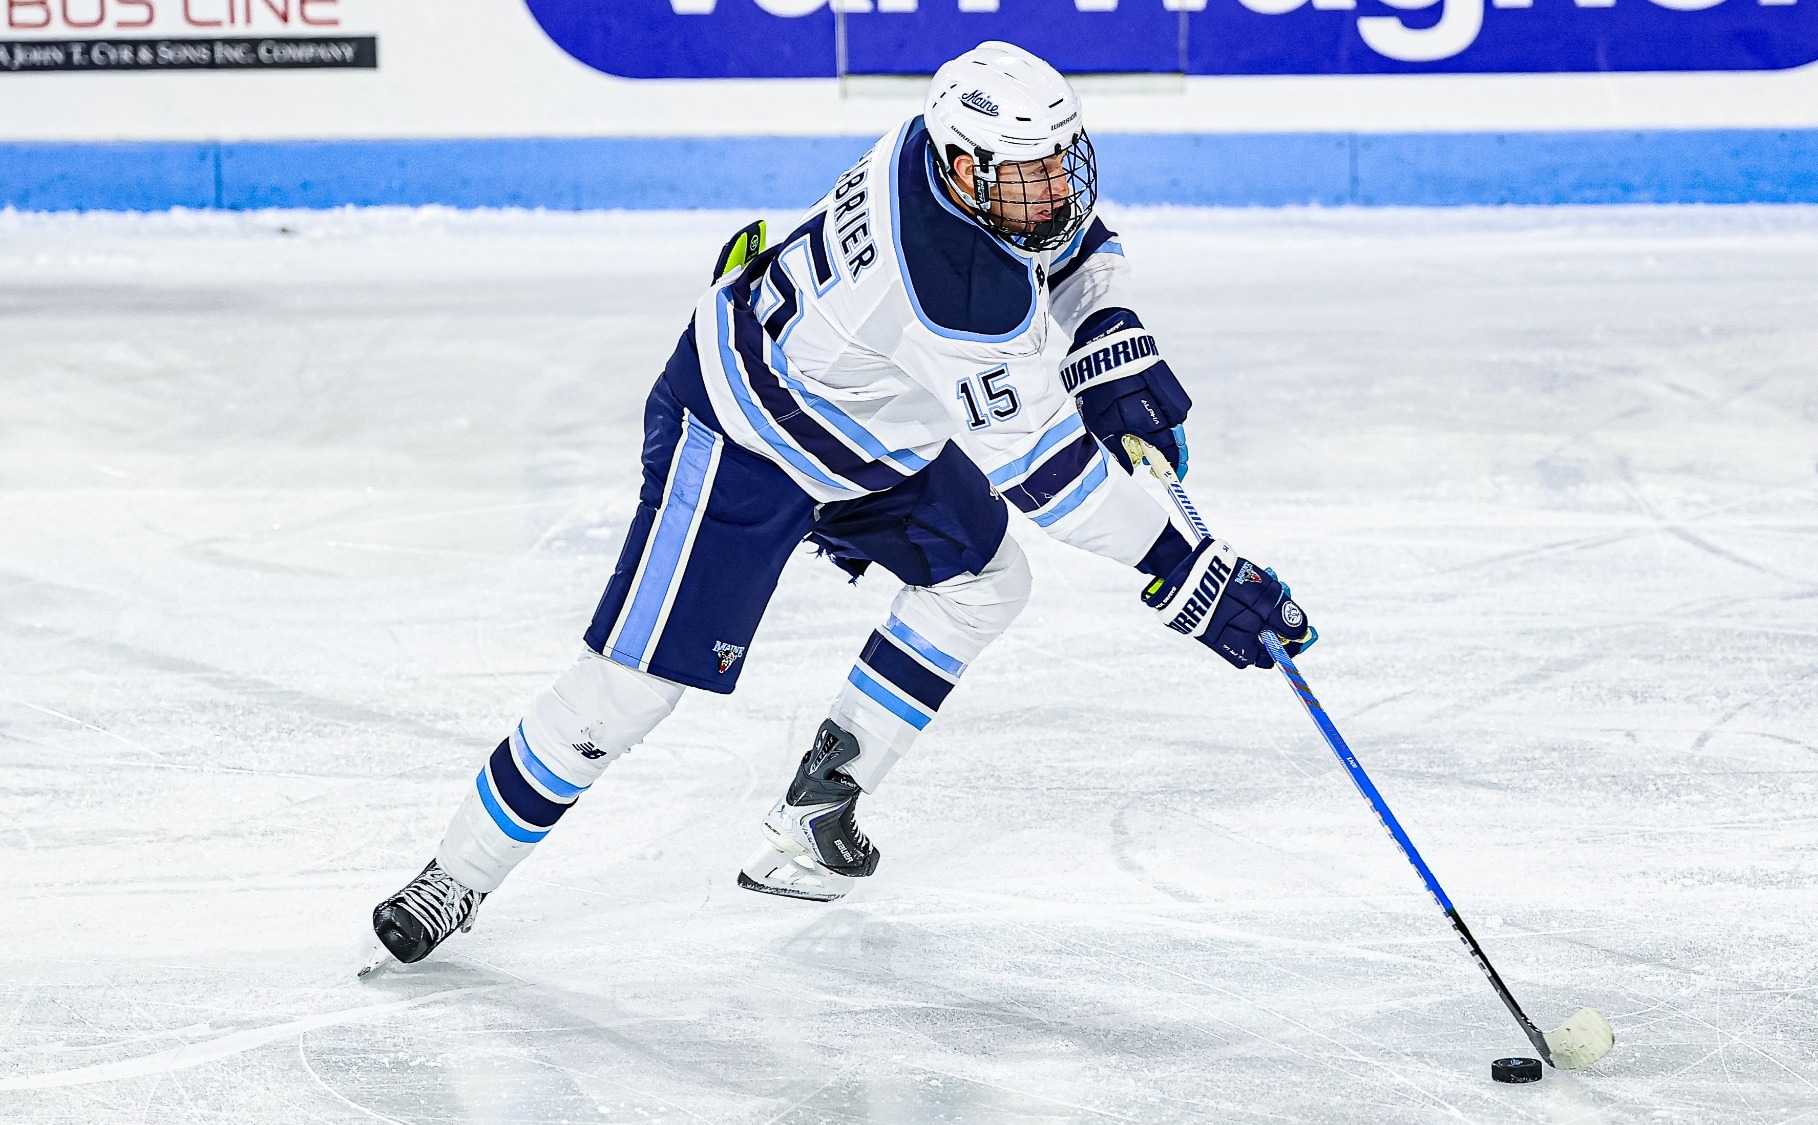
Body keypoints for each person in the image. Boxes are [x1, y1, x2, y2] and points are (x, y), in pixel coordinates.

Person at [364, 40, 1315, 971]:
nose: (1055, 191)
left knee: (983, 579)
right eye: (1028, 175)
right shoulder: (955, 289)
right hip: (741, 436)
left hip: (858, 423)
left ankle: (817, 809)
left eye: (1060, 163)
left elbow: (1071, 245)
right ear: (964, 168)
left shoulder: (939, 153)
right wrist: (1185, 568)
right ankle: (455, 875)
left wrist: (1105, 329)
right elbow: (1050, 479)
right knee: (632, 687)